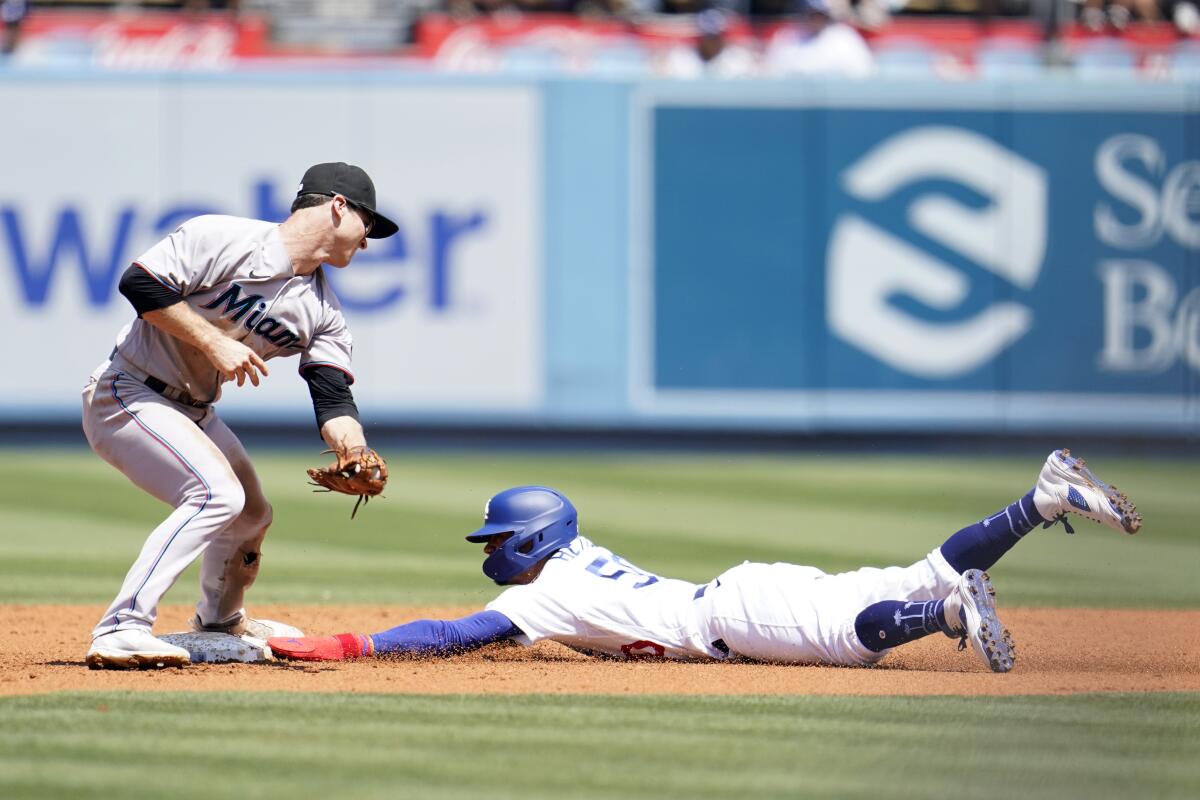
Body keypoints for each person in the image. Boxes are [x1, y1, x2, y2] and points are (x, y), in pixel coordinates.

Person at [269, 449, 1141, 671]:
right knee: (918, 568)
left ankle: (953, 615)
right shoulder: (574, 561)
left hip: (729, 617)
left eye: (497, 541)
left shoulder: (547, 596)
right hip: (738, 594)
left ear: (529, 541)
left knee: (857, 636)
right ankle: (1042, 498)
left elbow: (452, 634)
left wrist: (351, 646)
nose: (491, 554)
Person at [83, 162, 399, 670]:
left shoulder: (325, 313)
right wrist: (212, 341)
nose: (367, 242)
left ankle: (219, 620)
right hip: (126, 390)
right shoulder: (223, 237)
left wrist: (354, 448)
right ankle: (122, 627)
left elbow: (332, 396)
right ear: (338, 206)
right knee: (215, 494)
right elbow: (139, 284)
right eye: (368, 224)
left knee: (252, 513)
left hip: (193, 410)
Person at [763, 0, 875, 79]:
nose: (816, 19)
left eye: (820, 14)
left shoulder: (844, 37)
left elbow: (864, 73)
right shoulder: (787, 36)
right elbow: (772, 74)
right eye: (812, 14)